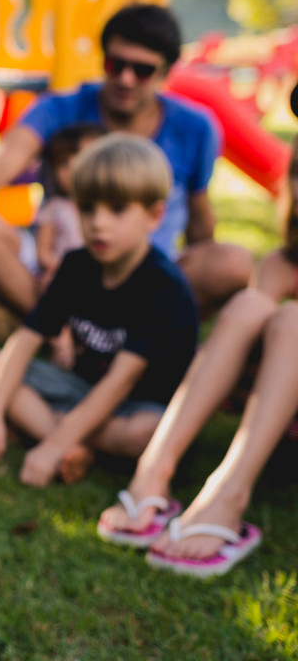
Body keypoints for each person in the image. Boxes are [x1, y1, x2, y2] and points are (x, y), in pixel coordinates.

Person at [95, 87, 298, 577]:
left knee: (292, 320)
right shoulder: (282, 263)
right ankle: (152, 475)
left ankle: (228, 495)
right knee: (252, 304)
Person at [0, 4, 252, 317]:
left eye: (142, 70)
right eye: (116, 64)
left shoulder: (196, 127)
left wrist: (193, 277)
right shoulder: (61, 108)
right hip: (62, 265)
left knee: (232, 263)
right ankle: (57, 328)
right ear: (104, 59)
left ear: (165, 72)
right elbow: (4, 161)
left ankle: (90, 329)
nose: (126, 79)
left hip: (145, 276)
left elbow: (199, 218)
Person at [0, 134, 199, 488]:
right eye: (87, 208)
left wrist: (51, 449)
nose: (98, 223)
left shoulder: (164, 287)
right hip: (78, 388)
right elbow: (25, 341)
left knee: (147, 433)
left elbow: (120, 383)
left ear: (154, 215)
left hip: (135, 406)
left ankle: (51, 433)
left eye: (117, 209)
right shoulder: (75, 266)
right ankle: (79, 444)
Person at [33, 123, 106, 292]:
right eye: (64, 163)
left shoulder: (104, 209)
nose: (73, 168)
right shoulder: (54, 208)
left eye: (81, 159)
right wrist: (61, 268)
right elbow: (43, 253)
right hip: (61, 273)